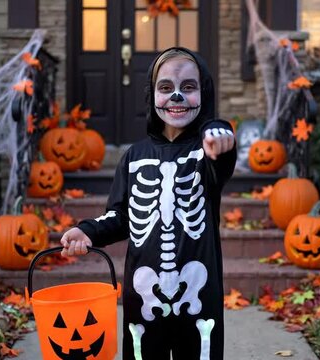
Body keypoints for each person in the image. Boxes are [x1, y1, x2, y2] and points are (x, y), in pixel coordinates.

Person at [60, 47, 236, 360]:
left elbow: (220, 162)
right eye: (166, 88)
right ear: (151, 96)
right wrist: (88, 231)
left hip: (197, 295)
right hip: (144, 296)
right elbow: (120, 215)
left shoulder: (207, 153)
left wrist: (217, 131)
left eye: (189, 88)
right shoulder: (133, 157)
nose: (177, 97)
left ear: (204, 94)